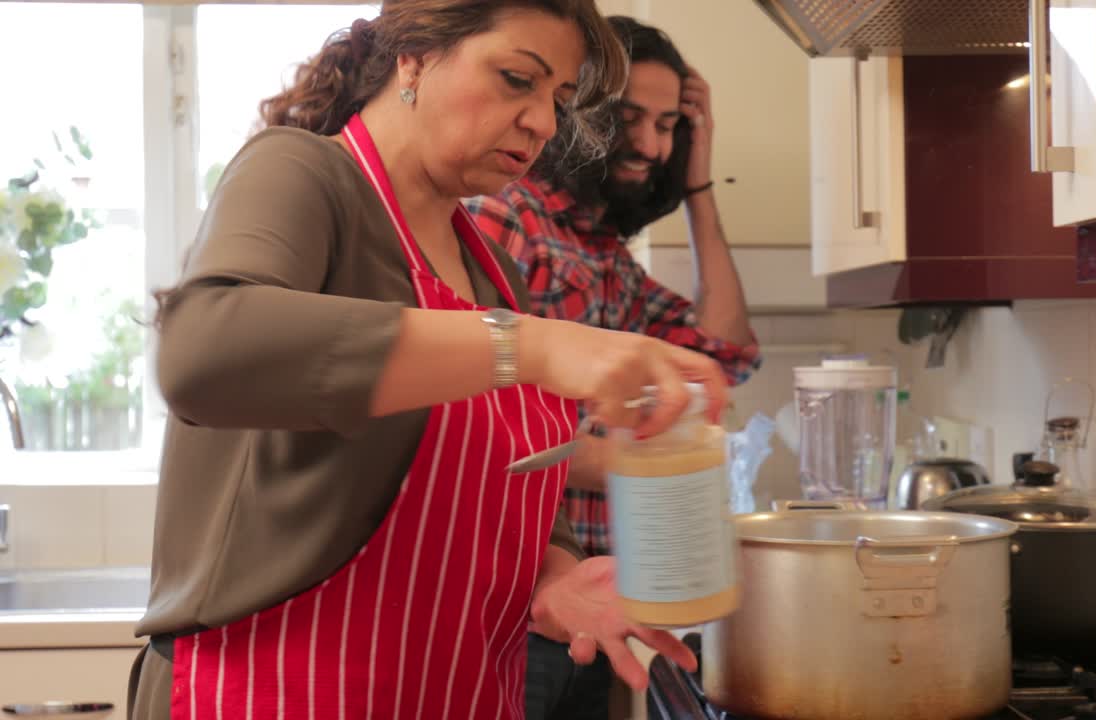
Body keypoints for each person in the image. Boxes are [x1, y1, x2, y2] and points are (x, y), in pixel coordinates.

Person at [126, 2, 722, 718]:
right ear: (413, 55)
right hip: (276, 695)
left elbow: (499, 480)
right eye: (514, 80)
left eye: (557, 101)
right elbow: (206, 350)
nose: (541, 122)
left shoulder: (495, 271)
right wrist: (532, 345)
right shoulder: (303, 174)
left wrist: (554, 576)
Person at [466, 15, 760, 719]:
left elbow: (722, 351)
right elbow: (471, 430)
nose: (651, 145)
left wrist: (698, 181)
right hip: (518, 613)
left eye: (667, 126)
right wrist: (652, 462)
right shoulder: (507, 218)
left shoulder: (600, 252)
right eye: (631, 119)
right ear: (583, 113)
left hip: (593, 611)